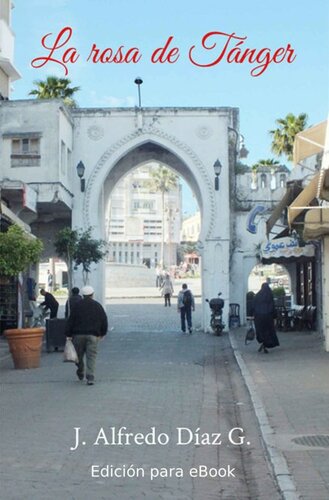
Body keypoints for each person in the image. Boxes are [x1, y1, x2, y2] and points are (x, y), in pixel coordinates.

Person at [65, 285, 108, 385]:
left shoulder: (77, 306)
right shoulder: (97, 306)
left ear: (83, 295)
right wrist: (103, 333)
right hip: (93, 335)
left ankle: (80, 371)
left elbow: (71, 321)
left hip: (78, 335)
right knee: (91, 356)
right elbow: (104, 320)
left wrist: (68, 334)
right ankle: (90, 376)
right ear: (92, 295)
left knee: (78, 356)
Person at [252, 282, 280, 353]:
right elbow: (273, 306)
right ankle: (266, 344)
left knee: (261, 331)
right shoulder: (269, 295)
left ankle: (263, 343)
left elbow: (253, 305)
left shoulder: (257, 295)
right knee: (268, 331)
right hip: (268, 316)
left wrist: (252, 314)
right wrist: (275, 316)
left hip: (259, 317)